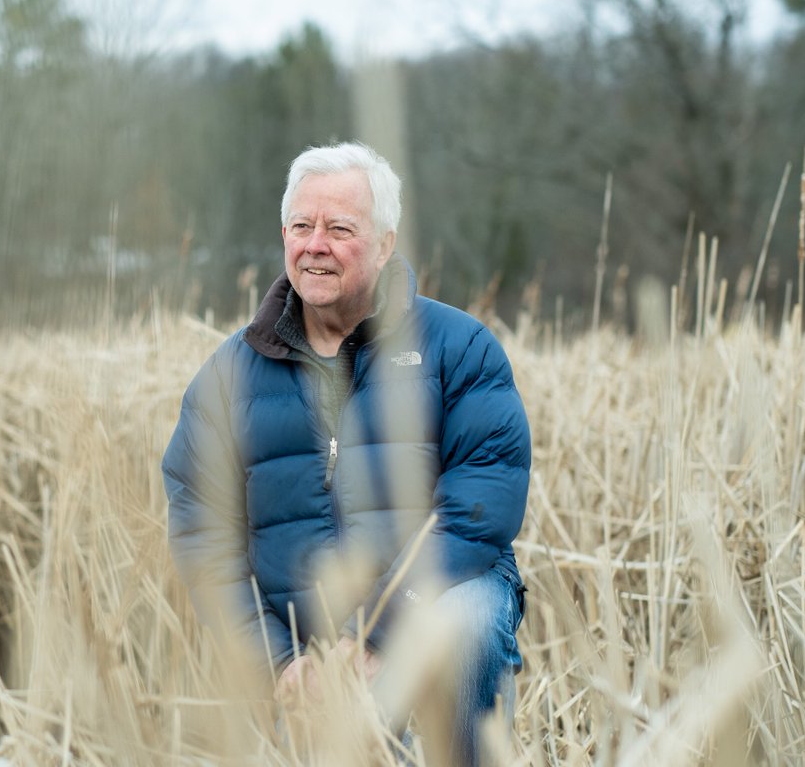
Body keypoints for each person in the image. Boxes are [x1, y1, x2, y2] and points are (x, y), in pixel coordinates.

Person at [162, 142, 530, 765]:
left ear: (386, 243)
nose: (316, 244)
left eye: (340, 229)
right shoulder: (228, 379)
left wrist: (380, 632)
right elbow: (204, 537)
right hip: (307, 642)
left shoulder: (459, 348)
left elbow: (480, 506)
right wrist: (278, 662)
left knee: (468, 627)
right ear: (283, 234)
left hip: (437, 599)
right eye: (302, 226)